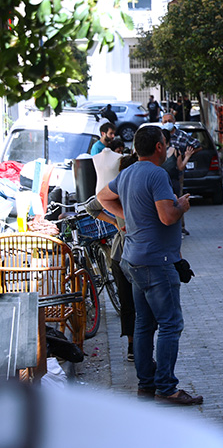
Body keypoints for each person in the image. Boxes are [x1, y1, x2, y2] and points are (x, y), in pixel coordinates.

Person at [96, 126, 202, 405]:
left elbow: (102, 197)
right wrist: (181, 206)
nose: (167, 148)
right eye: (165, 143)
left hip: (134, 259)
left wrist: (127, 218)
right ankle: (166, 387)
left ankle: (147, 383)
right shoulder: (157, 174)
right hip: (157, 261)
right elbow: (167, 217)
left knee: (144, 323)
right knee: (170, 324)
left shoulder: (128, 172)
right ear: (158, 147)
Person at [87, 153, 139, 362]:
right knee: (132, 302)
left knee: (132, 302)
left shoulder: (123, 188)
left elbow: (93, 207)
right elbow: (93, 207)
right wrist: (116, 222)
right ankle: (134, 346)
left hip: (126, 254)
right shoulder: (120, 189)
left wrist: (116, 221)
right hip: (127, 254)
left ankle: (136, 346)